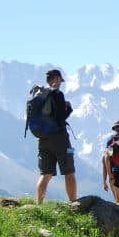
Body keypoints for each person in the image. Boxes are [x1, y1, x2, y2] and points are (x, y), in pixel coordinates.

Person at [35, 69, 77, 203]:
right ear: (57, 79)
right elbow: (60, 117)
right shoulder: (57, 94)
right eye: (60, 80)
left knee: (45, 173)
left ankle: (39, 205)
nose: (61, 83)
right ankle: (73, 204)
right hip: (59, 138)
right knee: (69, 170)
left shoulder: (39, 95)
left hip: (42, 138)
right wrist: (68, 109)